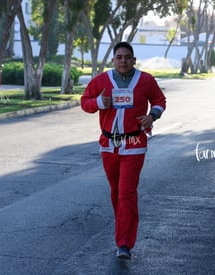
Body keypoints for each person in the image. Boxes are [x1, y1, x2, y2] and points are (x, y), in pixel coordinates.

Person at [81, 42, 166, 260]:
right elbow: (85, 102)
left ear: (134, 60)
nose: (123, 61)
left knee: (126, 192)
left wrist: (152, 115)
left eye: (127, 57)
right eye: (119, 57)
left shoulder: (146, 80)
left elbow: (159, 100)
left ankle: (124, 244)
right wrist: (99, 102)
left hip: (135, 144)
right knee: (116, 192)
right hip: (109, 145)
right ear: (113, 60)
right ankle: (123, 226)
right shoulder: (101, 81)